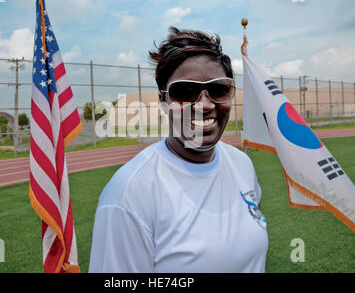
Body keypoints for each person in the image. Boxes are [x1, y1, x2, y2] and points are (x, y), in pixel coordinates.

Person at [88, 27, 268, 273]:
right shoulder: (129, 193)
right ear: (164, 102)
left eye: (218, 90)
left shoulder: (241, 163)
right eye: (185, 92)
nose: (204, 105)